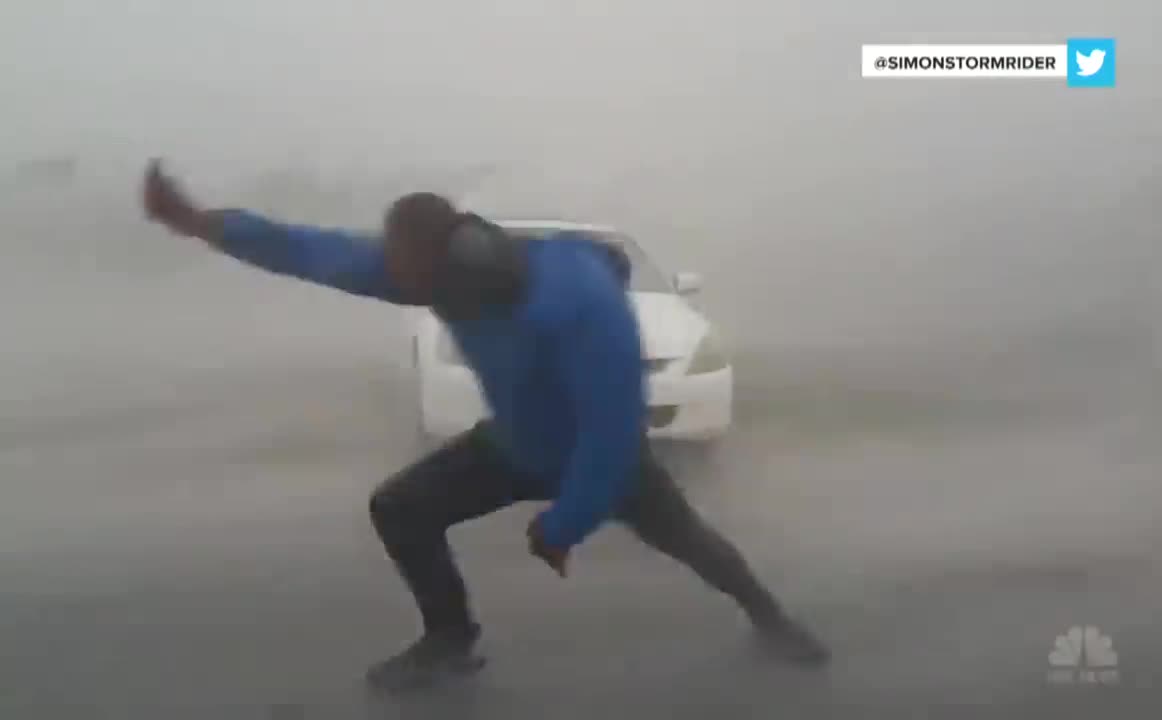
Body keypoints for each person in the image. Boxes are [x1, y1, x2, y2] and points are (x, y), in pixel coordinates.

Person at [140, 160, 830, 692]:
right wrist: (204, 223)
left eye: (409, 273)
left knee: (691, 542)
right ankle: (449, 638)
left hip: (603, 457)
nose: (398, 284)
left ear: (447, 256)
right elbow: (310, 250)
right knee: (399, 509)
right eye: (396, 271)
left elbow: (612, 429)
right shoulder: (429, 270)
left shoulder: (576, 302)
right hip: (513, 443)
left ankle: (772, 621)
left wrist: (564, 525)